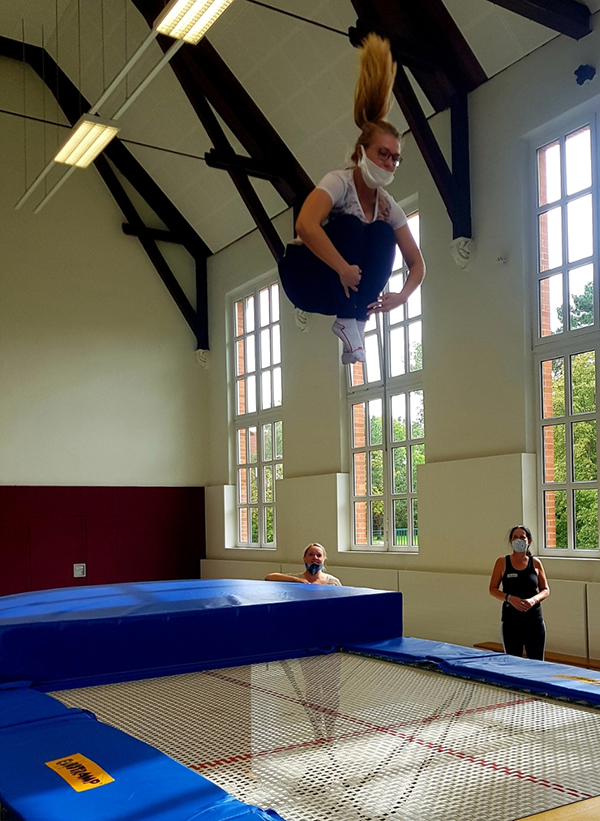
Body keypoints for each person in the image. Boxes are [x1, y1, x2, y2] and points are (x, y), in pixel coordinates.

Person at [278, 33, 425, 365]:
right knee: (349, 226)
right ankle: (348, 318)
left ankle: (357, 322)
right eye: (382, 154)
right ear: (362, 153)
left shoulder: (387, 205)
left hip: (343, 288)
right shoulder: (339, 182)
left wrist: (402, 296)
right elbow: (305, 224)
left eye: (395, 158)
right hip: (305, 277)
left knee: (382, 232)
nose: (389, 163)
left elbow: (417, 264)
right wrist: (342, 268)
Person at [489, 525, 550, 661]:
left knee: (536, 661)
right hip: (511, 620)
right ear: (510, 541)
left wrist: (533, 600)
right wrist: (509, 598)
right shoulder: (502, 562)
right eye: (515, 537)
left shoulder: (535, 563)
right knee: (513, 661)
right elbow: (492, 589)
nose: (518, 540)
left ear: (529, 541)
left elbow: (545, 590)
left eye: (522, 537)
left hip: (534, 620)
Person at [265, 543, 341, 586]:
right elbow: (269, 577)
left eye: (319, 555)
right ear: (304, 559)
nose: (315, 558)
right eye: (311, 554)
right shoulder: (296, 579)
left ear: (324, 559)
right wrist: (296, 580)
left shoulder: (333, 582)